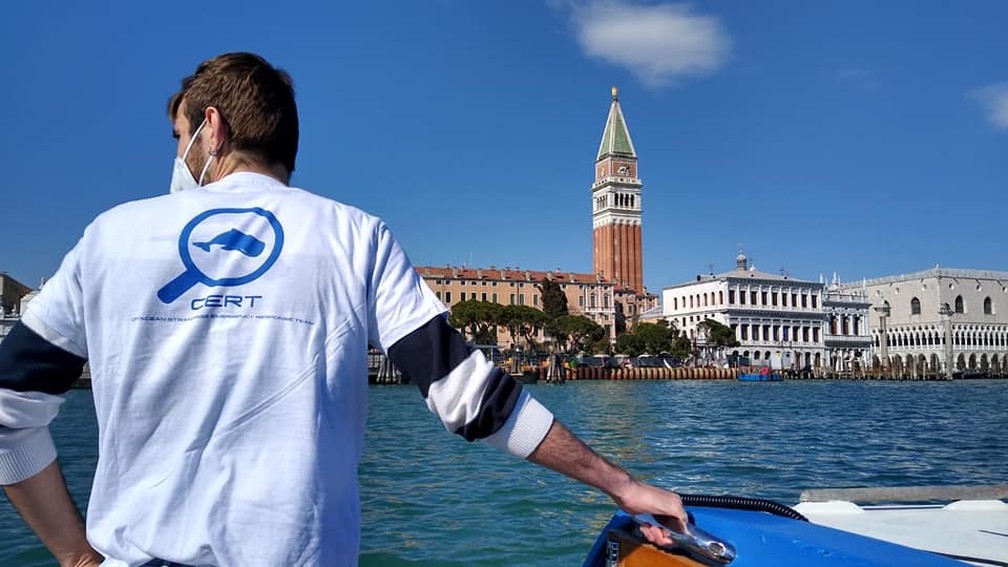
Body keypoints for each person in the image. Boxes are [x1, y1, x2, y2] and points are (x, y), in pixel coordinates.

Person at [0, 52, 687, 566]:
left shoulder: (110, 237)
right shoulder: (355, 235)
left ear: (211, 129)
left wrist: (77, 555)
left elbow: (7, 408)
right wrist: (620, 482)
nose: (178, 155)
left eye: (178, 138)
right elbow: (471, 396)